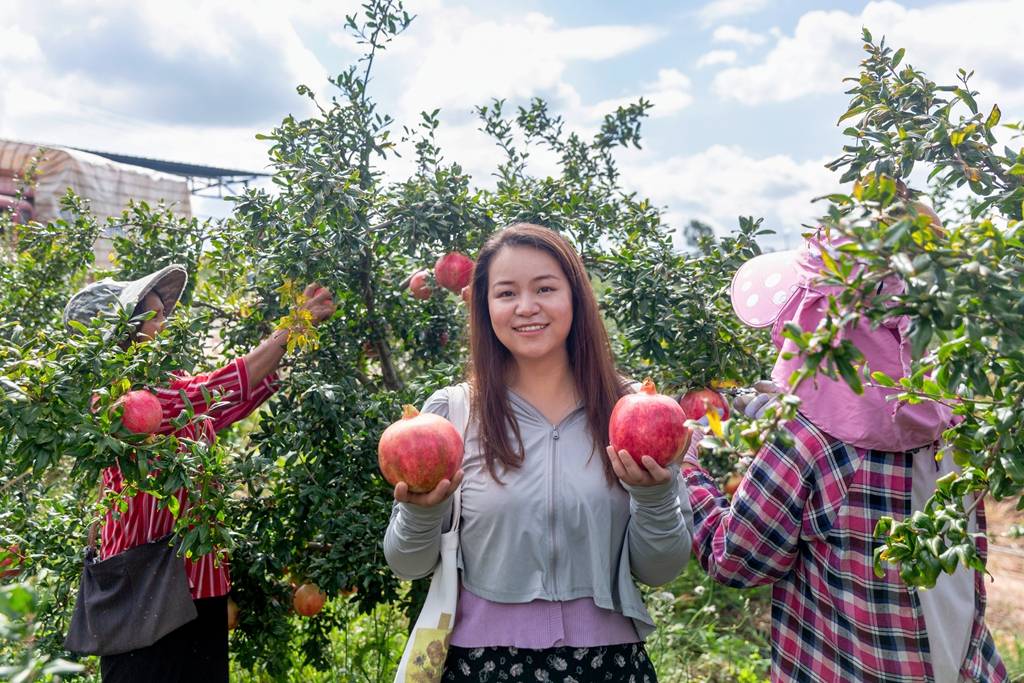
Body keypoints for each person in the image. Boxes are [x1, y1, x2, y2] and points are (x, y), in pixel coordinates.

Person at [681, 220, 1008, 682]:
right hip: (960, 668)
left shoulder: (803, 441)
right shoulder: (956, 417)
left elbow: (736, 560)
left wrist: (690, 469)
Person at [384, 223, 693, 682]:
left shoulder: (631, 413)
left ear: (575, 297)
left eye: (545, 288)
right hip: (482, 665)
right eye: (506, 293)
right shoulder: (453, 414)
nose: (527, 307)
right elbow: (407, 565)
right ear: (485, 307)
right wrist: (422, 514)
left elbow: (660, 570)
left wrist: (653, 499)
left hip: (607, 666)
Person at [63, 265, 336, 683]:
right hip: (143, 586)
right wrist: (292, 328)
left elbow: (220, 404)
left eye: (163, 313)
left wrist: (291, 347)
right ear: (121, 332)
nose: (165, 323)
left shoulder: (170, 387)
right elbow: (213, 390)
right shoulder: (120, 398)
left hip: (201, 582)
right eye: (154, 316)